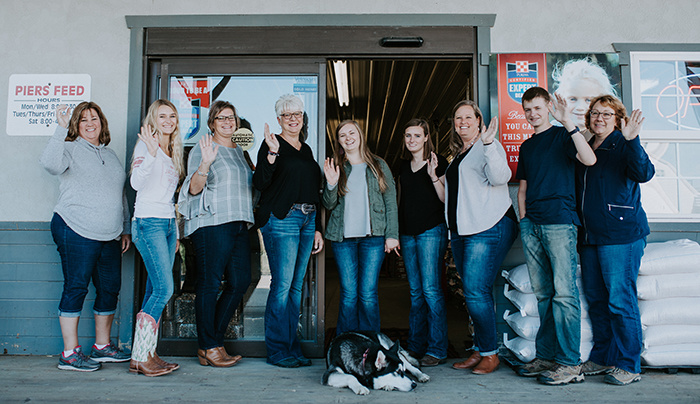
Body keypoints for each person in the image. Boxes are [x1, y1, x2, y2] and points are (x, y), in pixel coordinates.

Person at [40, 102, 132, 372]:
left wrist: (125, 227)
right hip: (74, 227)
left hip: (111, 234)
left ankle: (102, 347)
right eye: (83, 120)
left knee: (109, 288)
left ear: (102, 122)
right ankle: (69, 354)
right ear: (75, 125)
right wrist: (60, 127)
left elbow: (120, 194)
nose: (90, 123)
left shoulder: (111, 155)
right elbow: (50, 164)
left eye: (94, 118)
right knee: (76, 288)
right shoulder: (68, 148)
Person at [515, 86, 597, 385]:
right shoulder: (527, 146)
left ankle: (569, 363)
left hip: (560, 223)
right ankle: (547, 356)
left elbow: (589, 159)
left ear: (548, 106)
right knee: (544, 295)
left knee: (564, 295)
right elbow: (522, 188)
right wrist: (524, 221)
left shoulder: (564, 136)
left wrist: (569, 123)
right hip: (532, 225)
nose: (532, 114)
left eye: (537, 108)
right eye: (527, 110)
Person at [575, 95, 654, 386]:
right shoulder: (587, 144)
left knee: (620, 300)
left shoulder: (623, 142)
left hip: (620, 235)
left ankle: (628, 364)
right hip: (590, 235)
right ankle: (602, 357)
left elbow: (644, 173)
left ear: (618, 119)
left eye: (607, 114)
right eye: (595, 113)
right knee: (597, 300)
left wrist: (632, 140)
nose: (599, 118)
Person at [178, 100, 253, 367]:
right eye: (221, 118)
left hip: (239, 223)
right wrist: (205, 164)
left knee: (240, 281)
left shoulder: (241, 150)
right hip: (211, 223)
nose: (227, 122)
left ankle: (214, 342)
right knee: (209, 284)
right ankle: (208, 346)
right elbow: (195, 188)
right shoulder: (205, 147)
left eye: (231, 118)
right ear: (212, 123)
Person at [445, 101, 518, 375]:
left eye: (468, 117)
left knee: (476, 292)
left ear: (478, 120)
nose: (462, 121)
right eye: (457, 117)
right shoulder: (460, 154)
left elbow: (502, 177)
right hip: (464, 231)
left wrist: (489, 144)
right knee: (476, 292)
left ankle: (490, 354)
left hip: (489, 226)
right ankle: (480, 348)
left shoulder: (487, 145)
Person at [253, 94, 324, 368]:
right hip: (282, 219)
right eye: (287, 115)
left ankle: (292, 348)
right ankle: (278, 351)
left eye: (297, 114)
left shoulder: (305, 150)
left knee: (296, 287)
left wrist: (316, 227)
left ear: (303, 117)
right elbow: (259, 182)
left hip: (307, 220)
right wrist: (271, 154)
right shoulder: (272, 145)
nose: (293, 119)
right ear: (279, 119)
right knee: (282, 286)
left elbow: (310, 190)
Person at [323, 120, 399, 336]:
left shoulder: (378, 165)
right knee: (348, 294)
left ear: (360, 135)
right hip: (343, 240)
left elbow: (391, 202)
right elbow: (328, 204)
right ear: (338, 141)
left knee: (367, 294)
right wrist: (330, 183)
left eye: (352, 132)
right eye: (342, 135)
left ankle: (370, 344)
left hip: (373, 238)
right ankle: (345, 343)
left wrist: (392, 235)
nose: (348, 138)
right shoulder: (336, 167)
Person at [129, 99, 184, 376]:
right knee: (164, 289)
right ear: (154, 118)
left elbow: (168, 197)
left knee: (154, 290)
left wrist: (174, 231)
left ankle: (149, 352)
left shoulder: (172, 149)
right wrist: (150, 154)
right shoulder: (146, 145)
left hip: (165, 224)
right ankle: (140, 356)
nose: (168, 121)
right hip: (147, 222)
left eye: (172, 116)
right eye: (162, 116)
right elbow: (136, 184)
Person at [397, 118, 449, 367]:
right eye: (408, 136)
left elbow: (445, 200)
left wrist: (433, 177)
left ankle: (437, 349)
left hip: (431, 231)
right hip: (408, 234)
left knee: (431, 291)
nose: (412, 140)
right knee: (416, 292)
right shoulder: (403, 167)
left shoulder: (438, 162)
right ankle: (415, 347)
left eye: (417, 136)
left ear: (427, 137)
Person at [552, 58, 616, 129]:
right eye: (573, 99)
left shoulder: (610, 133)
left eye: (589, 100)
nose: (580, 107)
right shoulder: (552, 131)